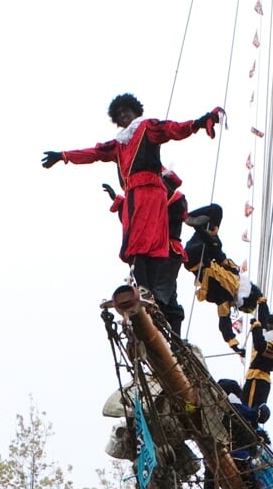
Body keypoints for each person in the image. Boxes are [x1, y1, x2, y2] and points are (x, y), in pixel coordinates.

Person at [43, 93, 222, 335]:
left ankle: (151, 296)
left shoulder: (147, 128)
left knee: (143, 245)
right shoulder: (118, 145)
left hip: (150, 192)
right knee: (135, 248)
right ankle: (145, 292)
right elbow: (94, 153)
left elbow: (172, 129)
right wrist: (64, 156)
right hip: (134, 197)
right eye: (119, 114)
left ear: (135, 111)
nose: (123, 116)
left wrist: (199, 123)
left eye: (126, 111)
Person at [182, 203, 262, 352]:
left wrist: (234, 345)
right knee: (216, 210)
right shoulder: (235, 274)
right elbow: (221, 258)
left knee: (215, 243)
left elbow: (224, 323)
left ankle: (199, 227)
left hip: (196, 259)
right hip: (203, 247)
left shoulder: (224, 299)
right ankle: (187, 218)